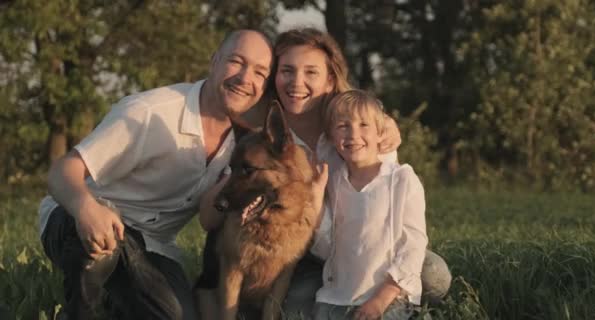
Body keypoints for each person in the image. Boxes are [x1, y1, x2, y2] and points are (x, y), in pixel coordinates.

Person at [198, 27, 451, 318]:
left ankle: (402, 305)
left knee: (433, 273)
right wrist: (236, 184)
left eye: (311, 72)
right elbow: (208, 218)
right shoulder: (260, 134)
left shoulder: (356, 131)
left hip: (365, 252)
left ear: (330, 80)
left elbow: (393, 206)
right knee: (294, 312)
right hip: (304, 256)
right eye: (287, 70)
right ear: (274, 76)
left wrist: (386, 124)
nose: (297, 82)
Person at [38, 29, 274, 319]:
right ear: (214, 61)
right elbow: (62, 171)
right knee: (101, 250)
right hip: (80, 218)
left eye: (260, 73)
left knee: (178, 315)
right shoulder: (149, 112)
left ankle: (119, 302)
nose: (245, 78)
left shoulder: (245, 145)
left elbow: (207, 218)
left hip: (153, 245)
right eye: (237, 61)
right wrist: (85, 207)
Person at [311, 89, 427, 320]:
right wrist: (315, 201)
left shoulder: (401, 180)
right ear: (332, 138)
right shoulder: (333, 183)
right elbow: (326, 250)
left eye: (364, 125)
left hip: (389, 295)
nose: (353, 134)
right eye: (343, 126)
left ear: (380, 134)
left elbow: (414, 244)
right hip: (336, 296)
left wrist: (381, 299)